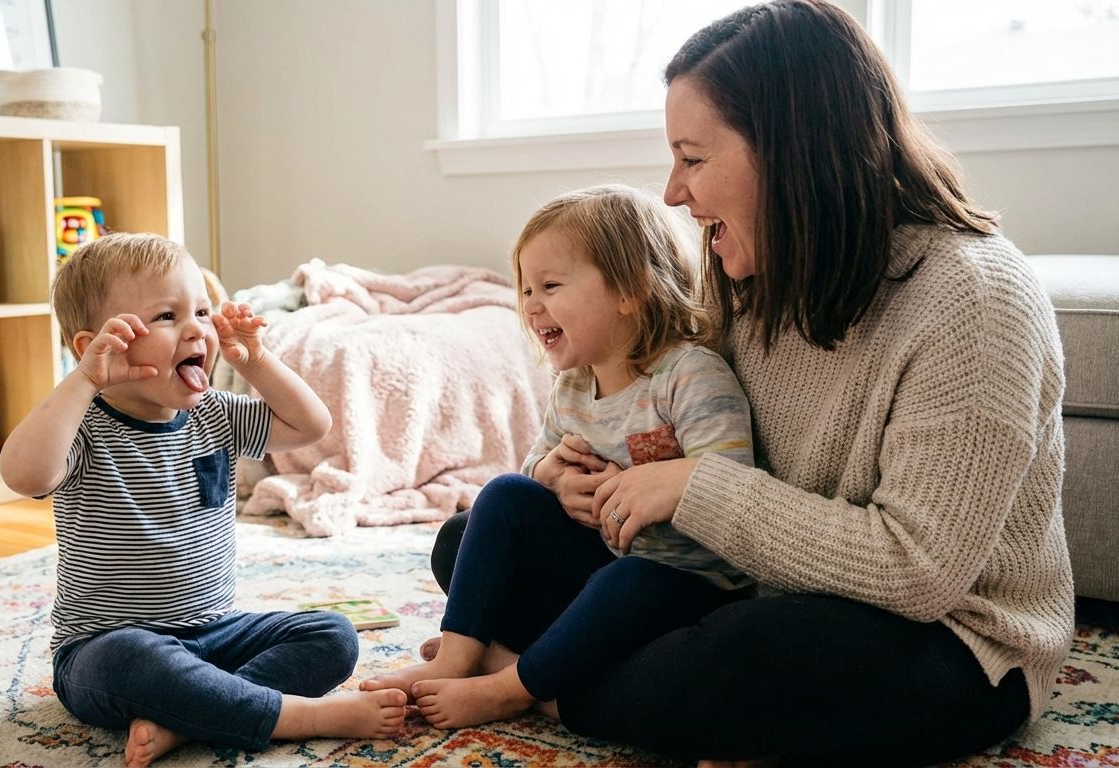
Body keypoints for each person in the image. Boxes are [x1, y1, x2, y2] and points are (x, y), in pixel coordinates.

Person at [429, 2, 1074, 766]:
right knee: (472, 539)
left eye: (693, 159)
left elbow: (916, 574)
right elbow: (667, 418)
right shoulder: (748, 268)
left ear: (794, 150)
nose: (672, 193)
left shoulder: (973, 299)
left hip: (943, 638)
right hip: (745, 589)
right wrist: (576, 480)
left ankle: (548, 682)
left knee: (748, 653)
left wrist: (692, 487)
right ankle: (596, 682)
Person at [0, 233, 407, 767]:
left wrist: (257, 359)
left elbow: (312, 425)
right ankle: (297, 716)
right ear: (95, 347)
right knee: (134, 658)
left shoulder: (214, 412)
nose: (196, 328)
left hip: (216, 632)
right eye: (166, 316)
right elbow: (24, 475)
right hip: (105, 647)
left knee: (332, 635)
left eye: (201, 311)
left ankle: (186, 717)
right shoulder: (83, 429)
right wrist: (81, 383)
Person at [362, 184, 756, 730]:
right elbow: (535, 464)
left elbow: (731, 486)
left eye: (550, 285)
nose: (531, 305)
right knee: (484, 512)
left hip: (682, 587)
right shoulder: (572, 386)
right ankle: (460, 658)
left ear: (630, 291)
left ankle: (512, 685)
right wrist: (553, 478)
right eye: (525, 289)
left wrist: (645, 491)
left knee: (625, 583)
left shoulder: (689, 375)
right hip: (601, 568)